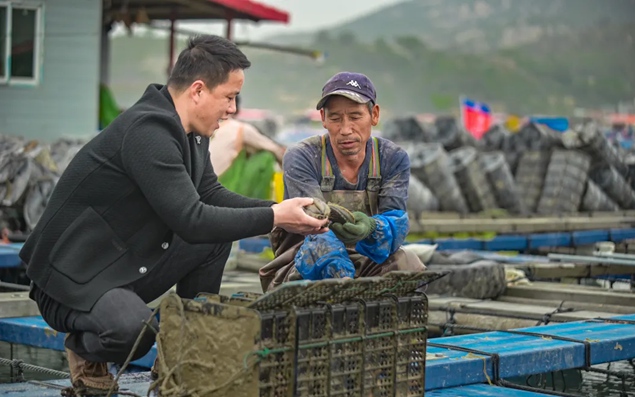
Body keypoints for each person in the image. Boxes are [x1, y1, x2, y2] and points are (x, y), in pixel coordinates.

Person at [19, 35, 328, 395]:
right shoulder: (148, 131)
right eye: (229, 97)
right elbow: (191, 219)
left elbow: (210, 194)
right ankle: (83, 350)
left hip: (120, 264)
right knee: (132, 332)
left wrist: (282, 210)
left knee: (214, 241)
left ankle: (186, 354)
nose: (232, 109)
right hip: (70, 279)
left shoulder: (192, 134)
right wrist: (276, 217)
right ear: (198, 91)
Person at [259, 71, 425, 292]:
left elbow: (396, 221)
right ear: (323, 119)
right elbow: (314, 225)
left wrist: (372, 227)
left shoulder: (392, 158)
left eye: (355, 117)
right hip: (302, 261)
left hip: (366, 258)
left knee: (408, 262)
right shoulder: (302, 156)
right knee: (322, 251)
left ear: (374, 115)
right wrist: (344, 284)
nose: (346, 130)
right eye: (336, 118)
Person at [209, 95, 286, 200]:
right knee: (266, 156)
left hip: (208, 183)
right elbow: (273, 148)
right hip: (223, 184)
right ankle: (259, 201)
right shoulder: (239, 128)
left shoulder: (214, 126)